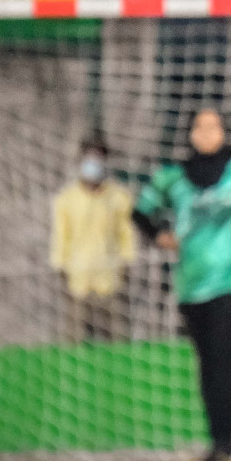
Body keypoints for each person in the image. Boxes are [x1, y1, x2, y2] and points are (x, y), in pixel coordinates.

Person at [133, 109, 231, 461]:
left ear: (224, 131)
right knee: (206, 361)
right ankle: (216, 440)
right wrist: (160, 234)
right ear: (190, 133)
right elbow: (140, 211)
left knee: (223, 356)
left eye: (214, 126)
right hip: (190, 283)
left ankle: (225, 441)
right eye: (199, 127)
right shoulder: (172, 177)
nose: (207, 133)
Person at [50, 139, 137, 342]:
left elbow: (126, 233)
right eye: (89, 159)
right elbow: (61, 236)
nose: (94, 164)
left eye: (98, 159)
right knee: (76, 339)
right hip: (78, 279)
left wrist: (127, 262)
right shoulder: (66, 199)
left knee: (117, 338)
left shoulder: (118, 197)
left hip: (110, 278)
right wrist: (60, 265)